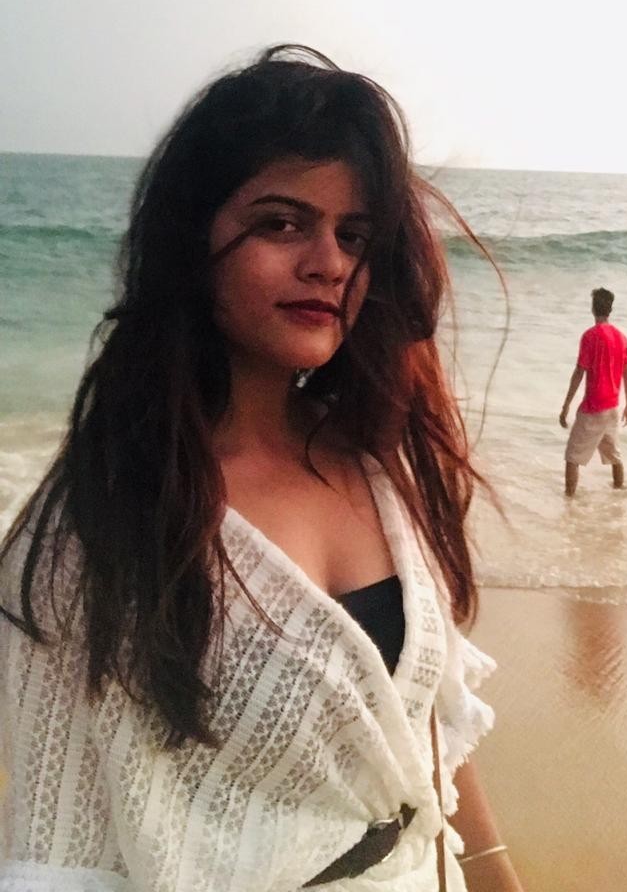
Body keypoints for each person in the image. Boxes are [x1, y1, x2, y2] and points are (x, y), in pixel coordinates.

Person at [0, 46, 523, 892]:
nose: (328, 262)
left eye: (353, 236)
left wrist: (497, 875)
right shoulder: (105, 521)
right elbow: (60, 844)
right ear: (192, 238)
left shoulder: (376, 461)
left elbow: (419, 736)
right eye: (282, 223)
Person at [558, 287, 627, 498]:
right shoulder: (621, 337)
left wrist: (566, 406)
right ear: (610, 309)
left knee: (572, 457)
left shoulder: (590, 336)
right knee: (615, 456)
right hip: (612, 407)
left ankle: (569, 500)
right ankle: (619, 495)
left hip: (593, 407)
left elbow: (579, 372)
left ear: (593, 308)